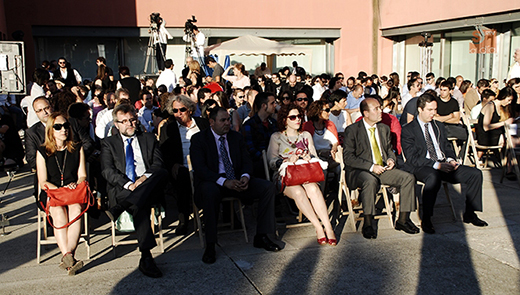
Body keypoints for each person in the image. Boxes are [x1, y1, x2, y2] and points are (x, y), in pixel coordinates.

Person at [190, 107, 280, 264]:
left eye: (228, 120)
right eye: (222, 120)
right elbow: (200, 168)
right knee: (209, 192)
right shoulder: (199, 139)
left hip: (236, 179)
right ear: (211, 122)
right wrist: (224, 182)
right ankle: (210, 244)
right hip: (214, 181)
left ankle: (262, 236)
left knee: (267, 187)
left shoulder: (236, 137)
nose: (227, 123)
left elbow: (247, 160)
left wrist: (245, 177)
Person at [401, 94, 486, 234]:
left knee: (475, 174)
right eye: (430, 109)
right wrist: (436, 165)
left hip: (443, 163)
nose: (434, 113)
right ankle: (426, 218)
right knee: (433, 177)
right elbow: (412, 158)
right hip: (423, 166)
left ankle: (470, 213)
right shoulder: (409, 129)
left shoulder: (438, 125)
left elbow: (446, 147)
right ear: (420, 109)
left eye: (435, 109)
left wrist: (451, 159)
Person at [102, 104, 168, 278]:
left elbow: (158, 164)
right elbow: (107, 171)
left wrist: (143, 179)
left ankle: (123, 206)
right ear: (116, 124)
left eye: (132, 120)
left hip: (148, 184)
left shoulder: (149, 139)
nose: (129, 124)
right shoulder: (109, 144)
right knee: (140, 202)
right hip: (124, 189)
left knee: (162, 173)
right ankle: (146, 257)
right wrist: (129, 184)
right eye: (124, 121)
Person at [343, 97, 419, 239]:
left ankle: (403, 219)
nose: (380, 111)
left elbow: (389, 149)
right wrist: (371, 167)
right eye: (376, 108)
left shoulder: (383, 129)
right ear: (365, 113)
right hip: (360, 171)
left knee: (408, 178)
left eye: (380, 107)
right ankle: (368, 222)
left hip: (382, 169)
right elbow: (348, 158)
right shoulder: (353, 130)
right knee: (369, 180)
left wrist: (391, 159)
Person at [267, 103, 337, 245]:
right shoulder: (277, 137)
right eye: (293, 117)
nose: (297, 119)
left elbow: (314, 156)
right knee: (299, 192)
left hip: (305, 173)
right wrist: (286, 160)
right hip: (286, 175)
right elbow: (271, 161)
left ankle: (328, 227)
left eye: (299, 116)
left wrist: (308, 157)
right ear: (285, 119)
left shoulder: (305, 135)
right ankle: (318, 227)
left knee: (313, 189)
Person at [36, 113, 87, 275]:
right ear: (51, 130)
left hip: (73, 193)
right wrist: (60, 189)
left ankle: (67, 256)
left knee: (76, 210)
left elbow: (82, 175)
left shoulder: (77, 148)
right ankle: (69, 257)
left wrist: (76, 185)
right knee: (58, 213)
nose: (63, 129)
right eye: (58, 127)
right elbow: (43, 181)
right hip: (53, 192)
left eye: (66, 126)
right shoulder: (43, 151)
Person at [159, 94, 209, 235]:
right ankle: (183, 220)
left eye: (182, 110)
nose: (178, 114)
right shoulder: (168, 128)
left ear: (190, 110)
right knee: (182, 178)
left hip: (203, 166)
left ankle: (209, 217)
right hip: (182, 167)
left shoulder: (202, 124)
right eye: (175, 111)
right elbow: (163, 152)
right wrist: (173, 164)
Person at [242, 92, 278, 178]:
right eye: (272, 103)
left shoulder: (273, 123)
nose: (275, 105)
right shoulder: (249, 125)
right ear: (264, 106)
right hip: (259, 165)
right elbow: (250, 148)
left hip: (275, 160)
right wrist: (265, 157)